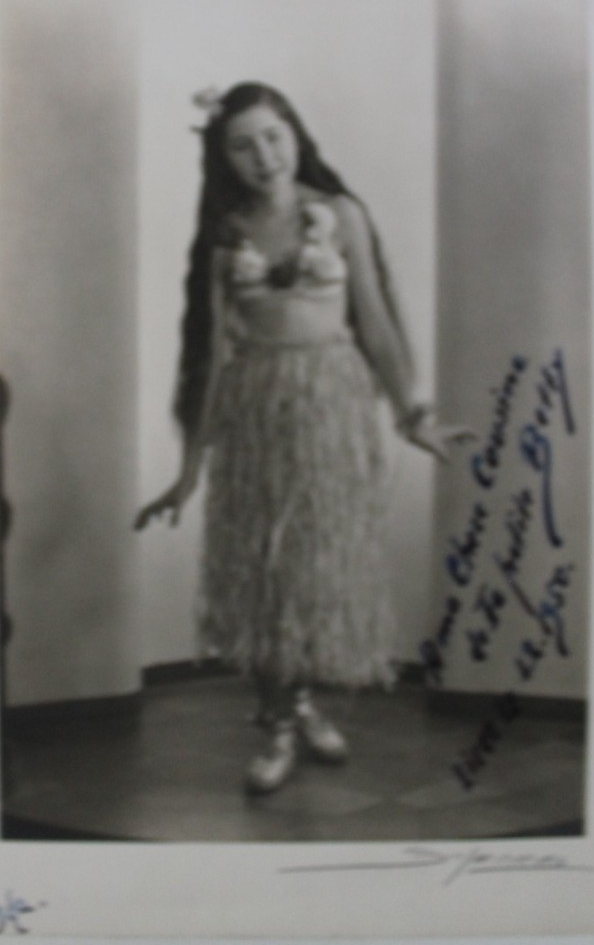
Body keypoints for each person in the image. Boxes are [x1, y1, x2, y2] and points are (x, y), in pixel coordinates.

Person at [135, 82, 473, 794]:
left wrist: (413, 417)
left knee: (317, 566)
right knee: (264, 568)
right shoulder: (226, 234)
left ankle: (301, 702)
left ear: (296, 135)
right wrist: (188, 473)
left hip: (332, 407)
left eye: (274, 136)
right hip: (257, 412)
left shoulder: (341, 214)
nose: (264, 156)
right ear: (222, 157)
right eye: (243, 145)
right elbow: (208, 359)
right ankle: (279, 724)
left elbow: (375, 321)